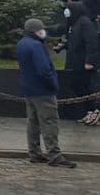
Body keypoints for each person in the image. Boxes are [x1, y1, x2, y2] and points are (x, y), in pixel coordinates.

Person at [17, 20, 75, 168]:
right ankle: (54, 155)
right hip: (43, 90)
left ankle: (34, 153)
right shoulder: (36, 46)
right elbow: (43, 70)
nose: (43, 31)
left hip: (29, 89)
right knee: (49, 121)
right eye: (41, 29)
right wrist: (53, 85)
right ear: (36, 30)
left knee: (33, 121)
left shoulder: (22, 43)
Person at [62, 0, 100, 124]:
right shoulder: (76, 23)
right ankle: (88, 111)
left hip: (83, 63)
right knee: (77, 86)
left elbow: (91, 43)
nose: (67, 12)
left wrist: (89, 61)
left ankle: (94, 110)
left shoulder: (85, 23)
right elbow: (75, 41)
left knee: (85, 87)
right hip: (76, 62)